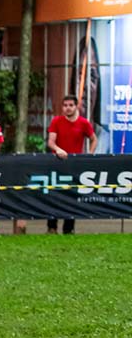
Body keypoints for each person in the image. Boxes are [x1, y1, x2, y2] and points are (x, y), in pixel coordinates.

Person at [46, 94, 96, 234]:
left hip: (75, 165)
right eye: (65, 105)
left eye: (70, 105)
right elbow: (51, 142)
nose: (67, 108)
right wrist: (58, 150)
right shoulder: (56, 121)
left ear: (76, 106)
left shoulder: (83, 123)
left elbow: (93, 139)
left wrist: (90, 154)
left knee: (71, 196)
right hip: (57, 163)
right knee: (54, 195)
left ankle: (69, 228)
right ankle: (52, 227)